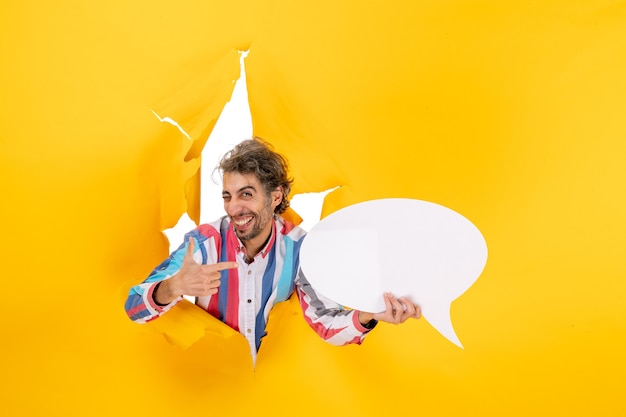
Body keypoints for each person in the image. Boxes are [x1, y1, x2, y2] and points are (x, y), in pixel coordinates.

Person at [125, 137, 421, 363]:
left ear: (275, 196)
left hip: (270, 391)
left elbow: (326, 323)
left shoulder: (301, 248)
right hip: (208, 386)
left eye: (247, 194)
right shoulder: (203, 244)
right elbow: (134, 307)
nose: (233, 207)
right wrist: (173, 286)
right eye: (227, 196)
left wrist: (370, 314)